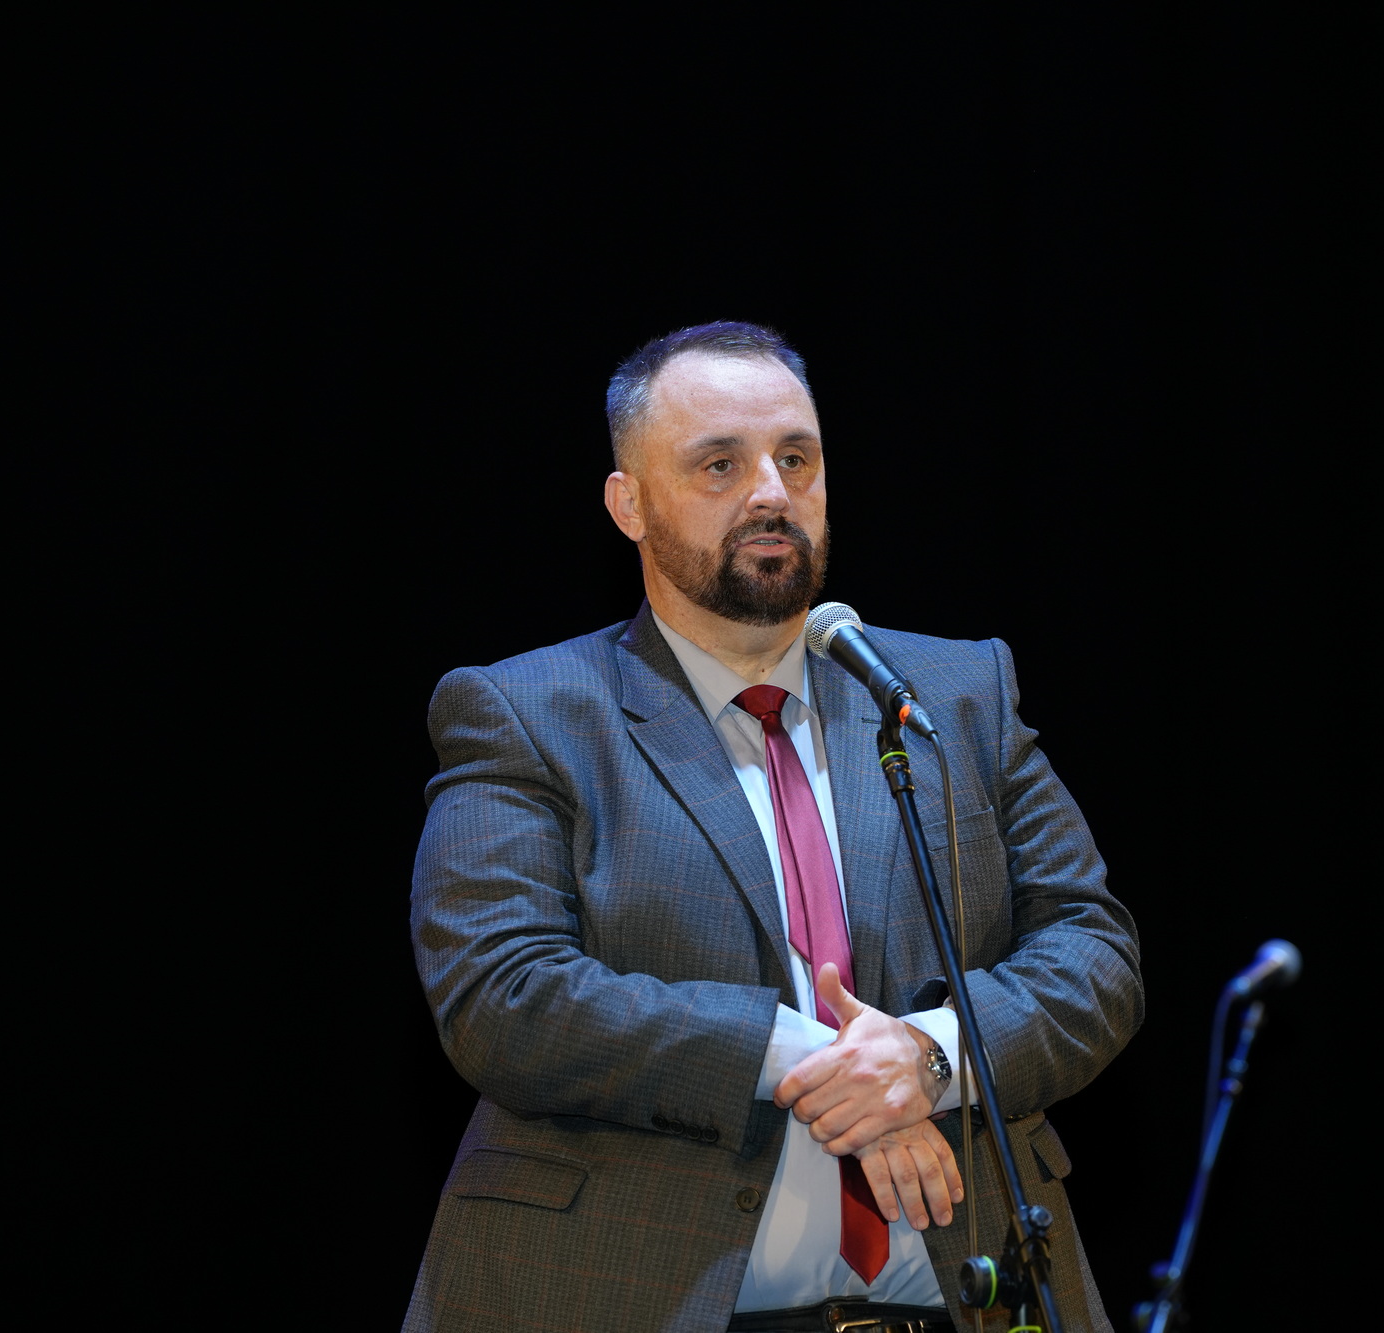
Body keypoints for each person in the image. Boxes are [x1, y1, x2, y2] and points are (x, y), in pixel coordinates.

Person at [405, 322, 1143, 1333]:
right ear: (629, 503)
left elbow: (1094, 953)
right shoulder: (527, 712)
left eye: (796, 459)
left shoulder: (953, 691)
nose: (770, 492)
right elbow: (502, 996)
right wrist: (808, 1058)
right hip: (627, 1294)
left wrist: (928, 1058)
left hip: (966, 1300)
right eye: (720, 464)